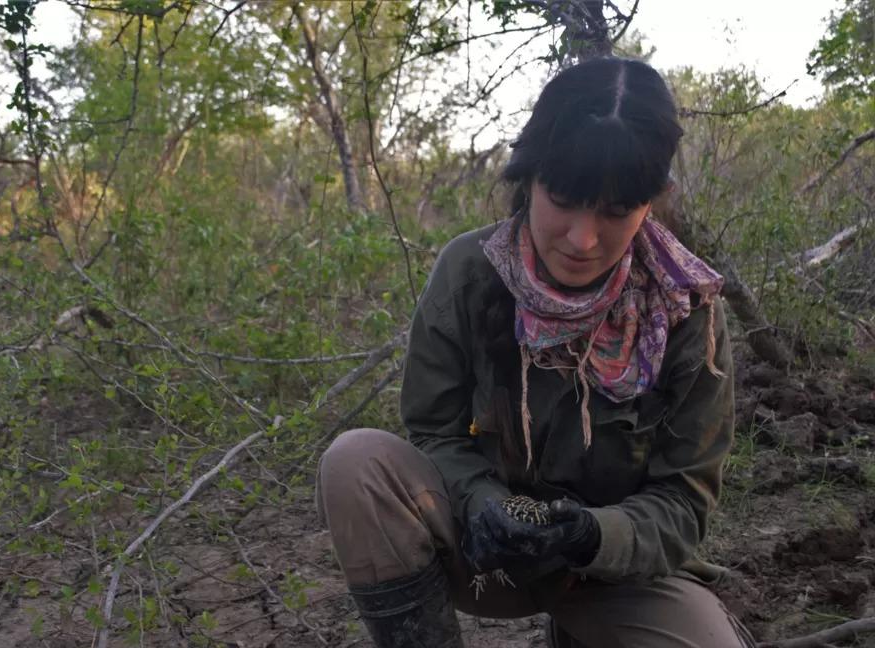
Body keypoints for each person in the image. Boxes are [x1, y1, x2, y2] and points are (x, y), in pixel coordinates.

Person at [315, 57, 756, 648]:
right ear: (528, 177)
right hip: (480, 547)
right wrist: (484, 503)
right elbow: (433, 435)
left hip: (610, 573)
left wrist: (591, 536)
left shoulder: (687, 311)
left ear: (652, 202)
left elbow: (683, 504)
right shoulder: (469, 273)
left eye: (615, 211)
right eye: (564, 198)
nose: (582, 239)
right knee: (356, 464)